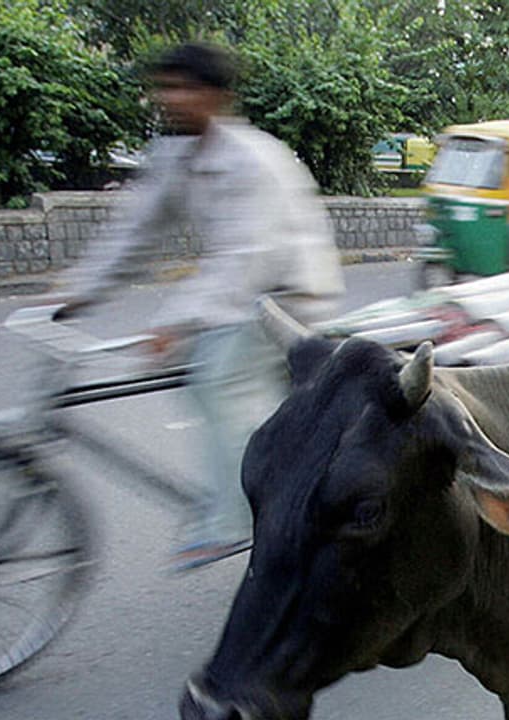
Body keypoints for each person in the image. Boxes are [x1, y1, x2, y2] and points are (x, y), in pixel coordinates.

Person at [57, 42, 344, 571]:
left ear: (217, 98)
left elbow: (245, 260)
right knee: (195, 370)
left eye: (185, 88)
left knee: (219, 377)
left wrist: (176, 321)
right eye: (165, 86)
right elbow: (135, 232)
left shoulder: (252, 160)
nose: (171, 98)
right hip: (243, 292)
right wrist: (77, 291)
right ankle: (269, 464)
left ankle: (231, 522)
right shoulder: (174, 156)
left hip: (290, 293)